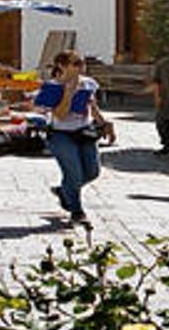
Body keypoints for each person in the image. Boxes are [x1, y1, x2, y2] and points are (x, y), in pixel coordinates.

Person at [36, 50, 114, 227]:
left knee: (92, 172)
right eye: (76, 63)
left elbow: (92, 107)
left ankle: (65, 191)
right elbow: (61, 115)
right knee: (74, 173)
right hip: (61, 134)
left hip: (84, 132)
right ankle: (77, 211)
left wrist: (104, 123)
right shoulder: (53, 87)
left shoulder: (88, 84)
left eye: (82, 63)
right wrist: (68, 93)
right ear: (62, 66)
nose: (81, 67)